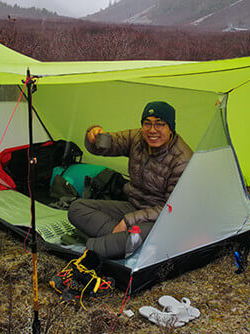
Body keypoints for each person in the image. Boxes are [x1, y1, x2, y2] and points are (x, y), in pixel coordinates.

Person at [50, 100, 192, 298]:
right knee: (76, 207)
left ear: (171, 128)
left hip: (159, 219)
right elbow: (105, 145)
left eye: (160, 124)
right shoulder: (137, 138)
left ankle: (91, 252)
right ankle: (117, 243)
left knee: (133, 236)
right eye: (147, 123)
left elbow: (171, 207)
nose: (152, 130)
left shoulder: (182, 159)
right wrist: (94, 134)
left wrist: (129, 220)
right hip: (131, 205)